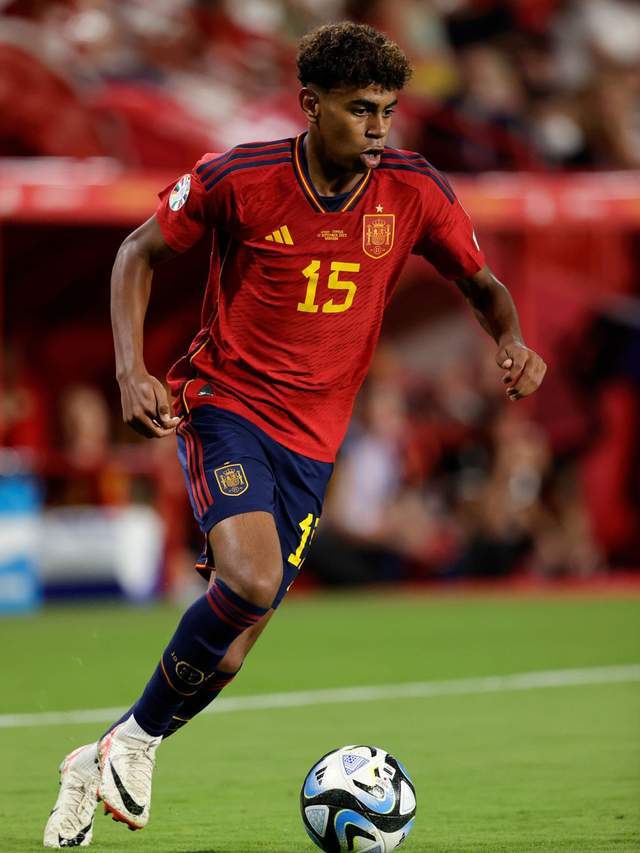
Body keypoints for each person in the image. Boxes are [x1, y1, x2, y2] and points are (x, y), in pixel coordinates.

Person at [43, 21, 546, 848]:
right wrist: (132, 370)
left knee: (231, 651)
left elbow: (483, 284)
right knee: (248, 577)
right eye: (359, 110)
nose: (378, 129)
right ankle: (132, 746)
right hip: (227, 404)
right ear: (310, 105)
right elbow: (136, 253)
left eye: (386, 111)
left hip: (314, 445)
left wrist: (512, 340)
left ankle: (104, 750)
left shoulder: (415, 191)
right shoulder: (239, 179)